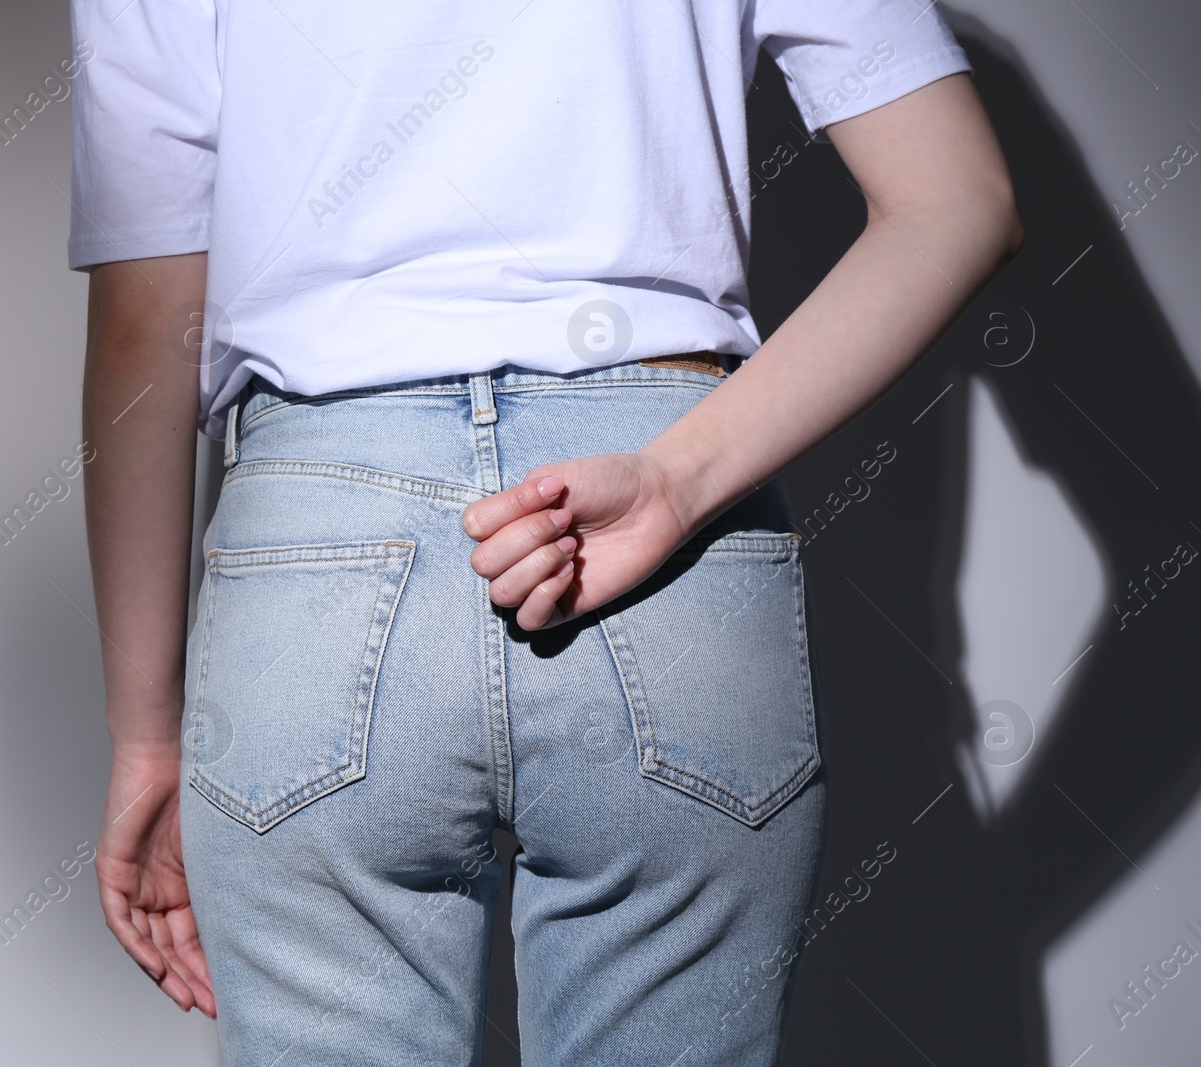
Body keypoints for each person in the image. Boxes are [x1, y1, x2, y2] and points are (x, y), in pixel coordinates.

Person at [67, 0, 1020, 1062]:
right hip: (669, 545)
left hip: (322, 550)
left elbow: (147, 320)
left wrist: (146, 736)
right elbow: (959, 201)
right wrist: (674, 477)